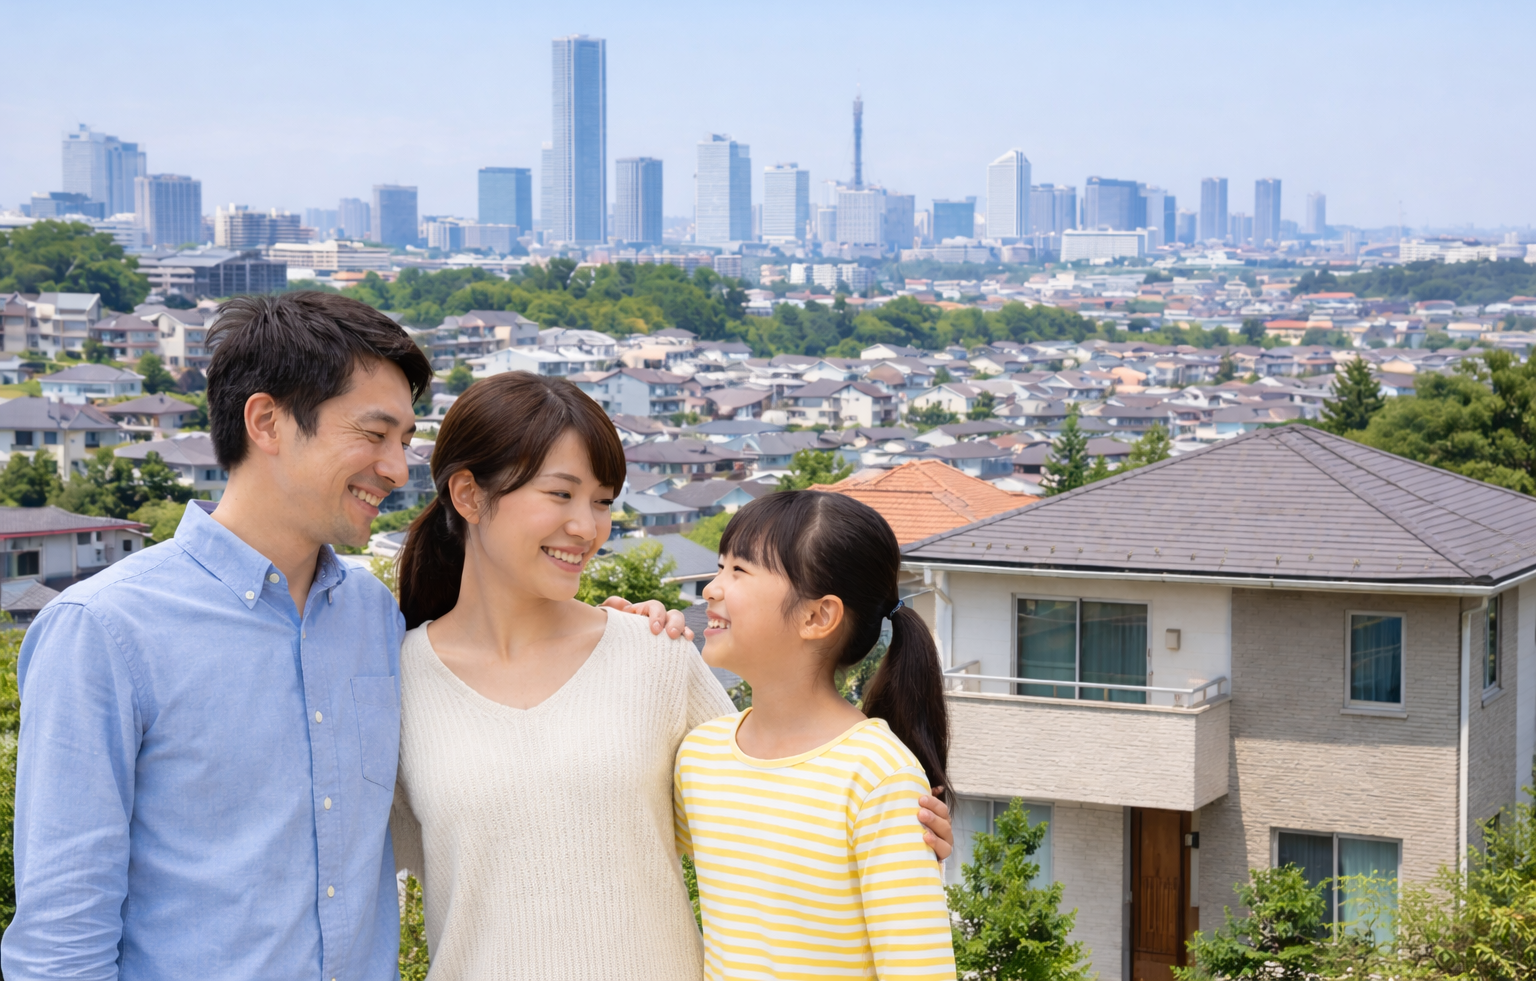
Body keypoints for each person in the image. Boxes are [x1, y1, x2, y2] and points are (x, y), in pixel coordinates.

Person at [1, 291, 689, 979]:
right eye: (373, 434)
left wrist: (616, 634)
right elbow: (62, 937)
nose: (396, 468)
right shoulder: (105, 631)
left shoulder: (372, 617)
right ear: (267, 421)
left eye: (404, 441)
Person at [389, 372, 952, 980]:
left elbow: (777, 799)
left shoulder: (654, 655)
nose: (588, 527)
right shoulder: (393, 681)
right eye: (561, 494)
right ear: (468, 495)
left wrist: (896, 829)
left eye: (602, 501)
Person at [675, 489, 959, 981]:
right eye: (720, 567)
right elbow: (627, 842)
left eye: (739, 571)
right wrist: (622, 645)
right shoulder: (700, 755)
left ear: (817, 616)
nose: (711, 589)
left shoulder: (876, 775)